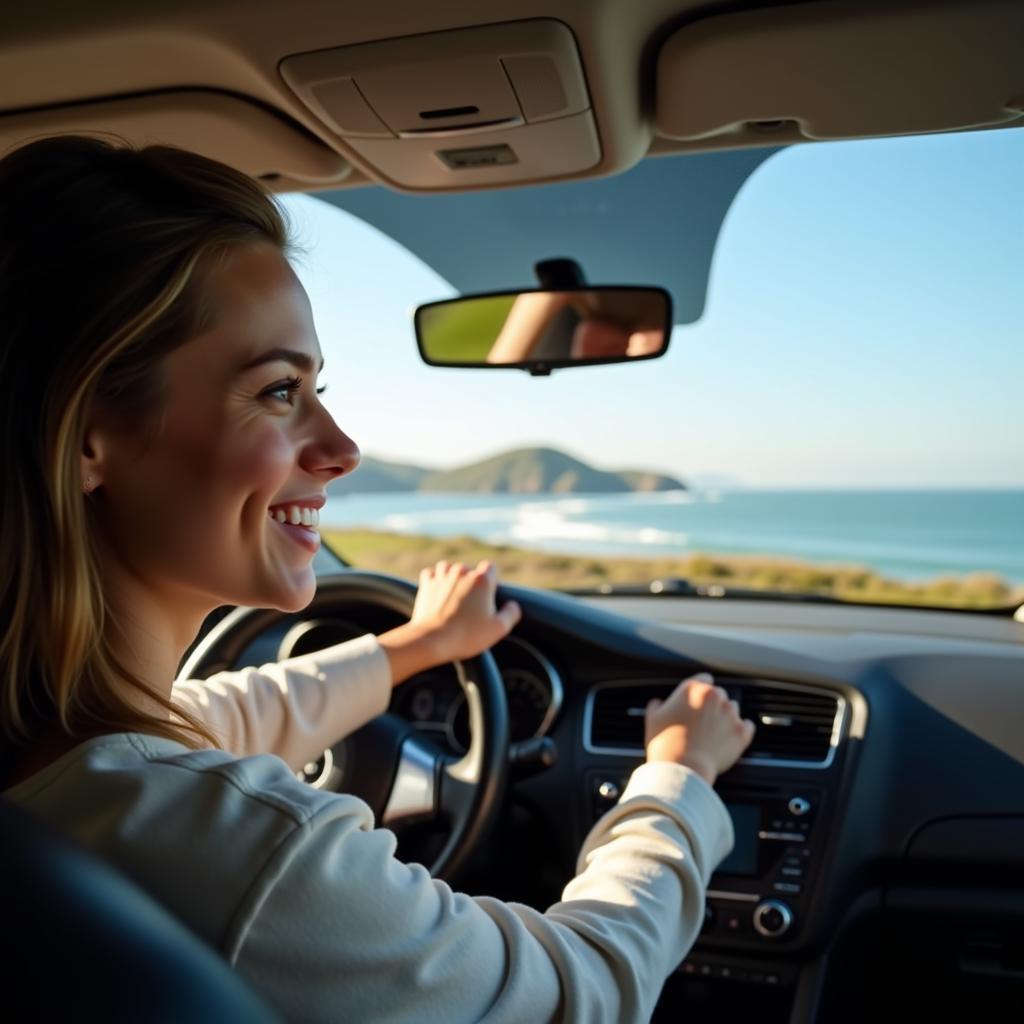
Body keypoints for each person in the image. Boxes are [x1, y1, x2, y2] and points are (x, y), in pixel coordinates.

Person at [0, 135, 755, 1022]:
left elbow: (227, 713)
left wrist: (419, 647)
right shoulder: (239, 848)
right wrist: (678, 779)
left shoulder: (65, 754)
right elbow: (579, 990)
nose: (342, 450)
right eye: (280, 391)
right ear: (92, 434)